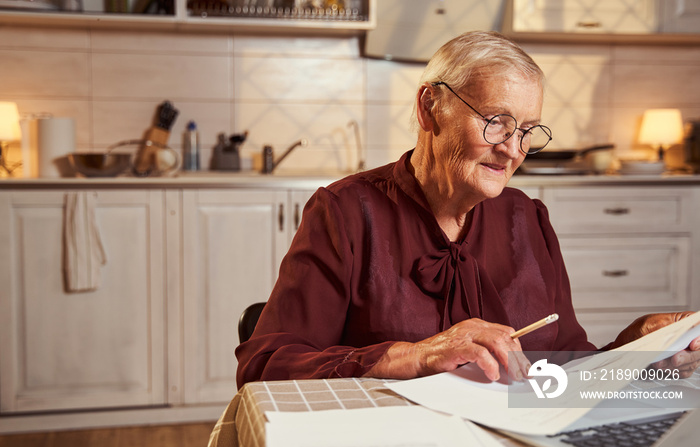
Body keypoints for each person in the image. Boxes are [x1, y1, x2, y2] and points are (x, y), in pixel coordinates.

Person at [235, 31, 700, 388]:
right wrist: (413, 355)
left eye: (527, 131)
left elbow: (563, 365)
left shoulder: (528, 219)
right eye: (497, 122)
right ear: (429, 108)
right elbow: (265, 364)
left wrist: (641, 350)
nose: (512, 150)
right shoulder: (345, 212)